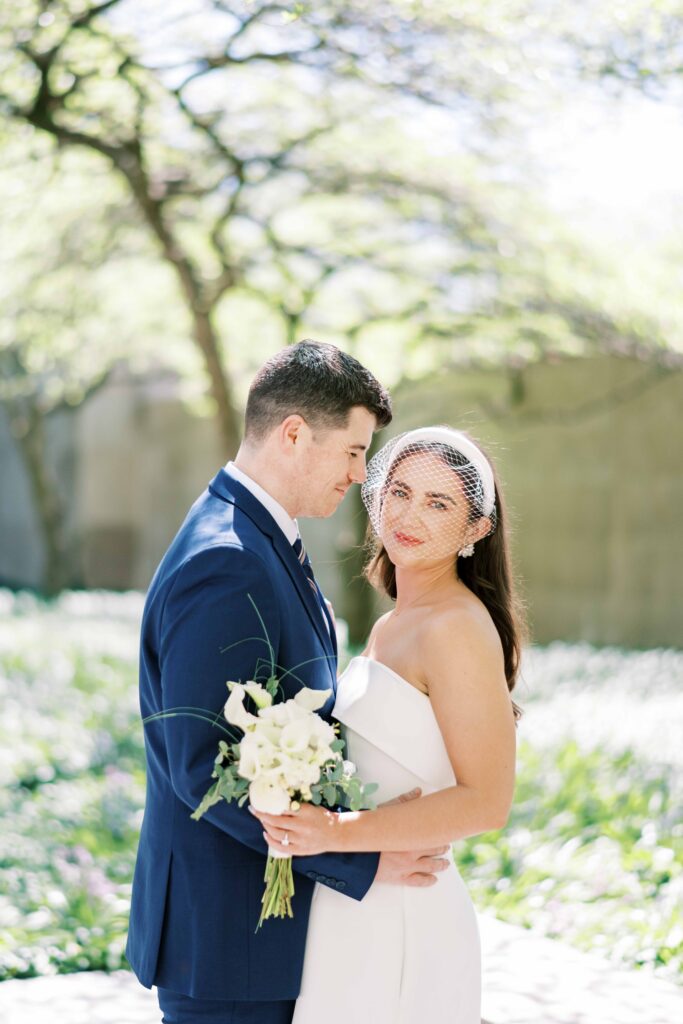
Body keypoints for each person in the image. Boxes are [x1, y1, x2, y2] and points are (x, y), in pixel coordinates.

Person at [126, 343, 452, 1024]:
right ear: (295, 434)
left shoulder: (261, 537)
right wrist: (360, 861)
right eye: (353, 452)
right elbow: (201, 771)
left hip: (255, 937)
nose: (361, 475)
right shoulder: (227, 560)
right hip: (227, 942)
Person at [252, 426, 524, 1024]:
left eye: (438, 503)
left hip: (407, 913)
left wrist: (335, 832)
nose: (409, 514)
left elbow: (488, 802)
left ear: (477, 528)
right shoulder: (391, 625)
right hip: (358, 903)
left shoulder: (455, 626)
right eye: (399, 491)